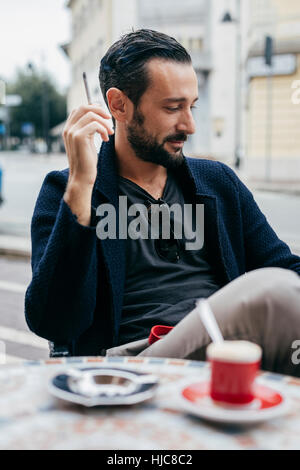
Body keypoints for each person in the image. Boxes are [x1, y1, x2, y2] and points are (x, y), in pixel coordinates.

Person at [25, 29, 300, 376]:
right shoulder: (65, 191)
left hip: (227, 356)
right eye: (173, 108)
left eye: (191, 106)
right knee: (274, 297)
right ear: (119, 105)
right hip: (132, 367)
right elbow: (54, 323)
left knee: (283, 294)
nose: (190, 125)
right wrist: (81, 188)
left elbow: (287, 269)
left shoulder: (217, 182)